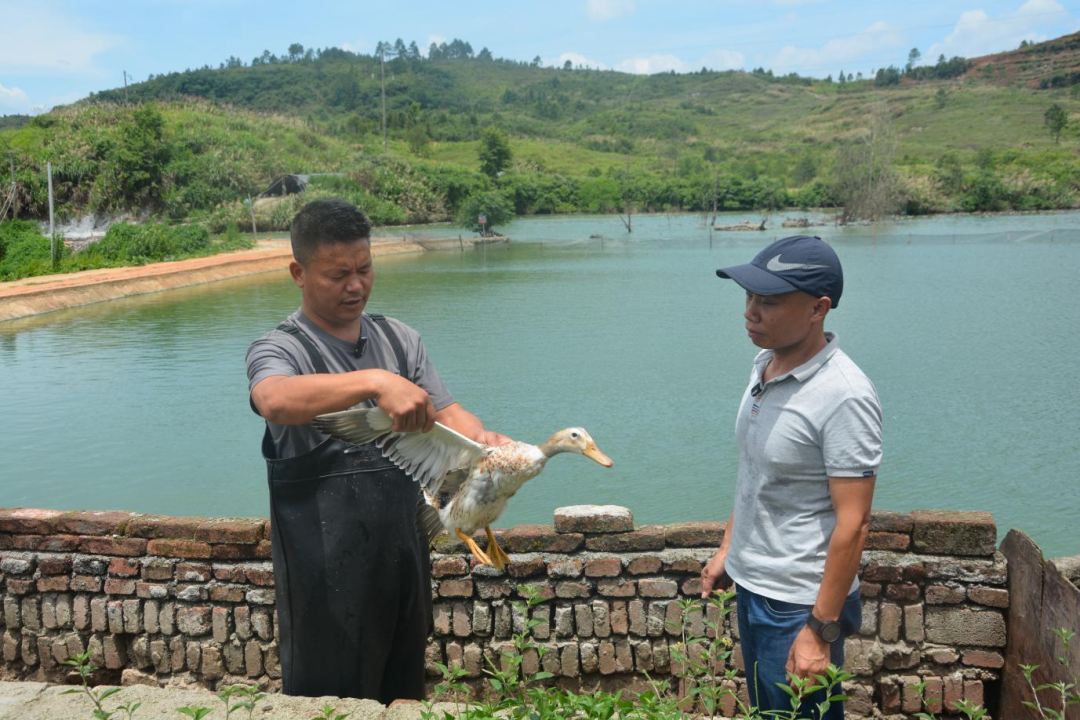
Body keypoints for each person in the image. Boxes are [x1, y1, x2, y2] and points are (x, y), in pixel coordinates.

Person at [245, 198, 509, 703]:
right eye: (338, 274)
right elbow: (274, 399)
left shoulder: (400, 339)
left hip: (402, 559)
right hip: (321, 573)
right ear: (298, 273)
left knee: (405, 694)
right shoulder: (280, 348)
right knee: (330, 705)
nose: (356, 285)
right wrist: (375, 381)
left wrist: (486, 445)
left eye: (364, 269)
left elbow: (448, 415)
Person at [701, 235, 883, 719]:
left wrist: (820, 631)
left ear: (818, 308)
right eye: (749, 297)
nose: (751, 312)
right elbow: (757, 472)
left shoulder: (843, 396)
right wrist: (728, 549)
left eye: (770, 301)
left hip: (800, 604)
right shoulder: (765, 364)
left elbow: (855, 523)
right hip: (754, 584)